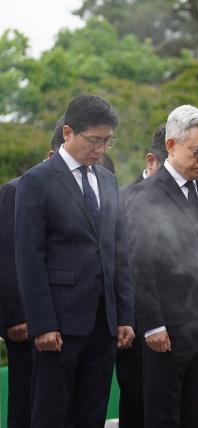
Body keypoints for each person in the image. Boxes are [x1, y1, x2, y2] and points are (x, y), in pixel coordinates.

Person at [14, 95, 135, 428]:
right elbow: (29, 257)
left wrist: (124, 315)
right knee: (52, 413)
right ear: (68, 132)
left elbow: (118, 251)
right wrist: (42, 323)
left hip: (103, 323)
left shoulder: (107, 180)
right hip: (59, 324)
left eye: (108, 141)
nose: (101, 149)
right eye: (94, 140)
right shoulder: (36, 181)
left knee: (92, 413)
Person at [127, 104, 198, 428]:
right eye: (197, 151)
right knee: (163, 415)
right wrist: (153, 325)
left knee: (196, 414)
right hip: (167, 328)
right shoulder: (145, 195)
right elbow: (140, 263)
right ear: (172, 145)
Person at [0, 120, 64, 428]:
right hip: (26, 323)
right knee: (26, 404)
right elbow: (8, 257)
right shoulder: (16, 190)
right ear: (52, 154)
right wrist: (15, 317)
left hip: (63, 320)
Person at [116, 124, 169, 428]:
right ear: (151, 161)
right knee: (137, 402)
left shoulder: (196, 192)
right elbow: (121, 265)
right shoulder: (123, 199)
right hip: (135, 326)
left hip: (180, 324)